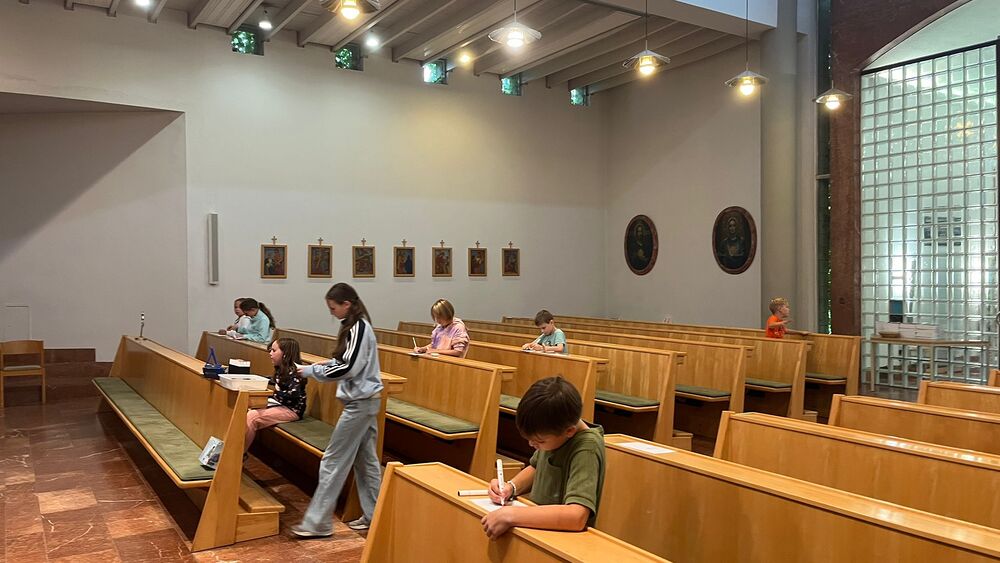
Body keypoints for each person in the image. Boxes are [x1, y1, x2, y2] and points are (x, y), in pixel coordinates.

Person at [292, 283, 384, 537]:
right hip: (364, 401)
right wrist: (325, 364)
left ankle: (318, 523)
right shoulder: (353, 326)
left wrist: (312, 371)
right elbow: (346, 361)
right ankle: (376, 517)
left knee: (333, 460)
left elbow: (349, 368)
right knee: (366, 463)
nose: (331, 312)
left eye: (333, 308)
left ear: (347, 304)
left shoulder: (359, 327)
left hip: (361, 403)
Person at [481, 376, 605, 539]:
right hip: (540, 530)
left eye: (539, 441)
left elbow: (576, 516)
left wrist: (511, 515)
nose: (531, 444)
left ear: (569, 431)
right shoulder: (555, 434)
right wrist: (510, 487)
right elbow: (536, 467)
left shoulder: (587, 448)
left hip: (563, 539)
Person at [245, 338, 307, 452]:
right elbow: (275, 381)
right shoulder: (281, 369)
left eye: (274, 351)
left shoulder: (296, 372)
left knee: (252, 417)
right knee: (245, 407)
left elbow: (294, 394)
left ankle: (239, 454)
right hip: (278, 404)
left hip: (292, 410)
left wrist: (273, 393)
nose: (270, 354)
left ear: (285, 354)